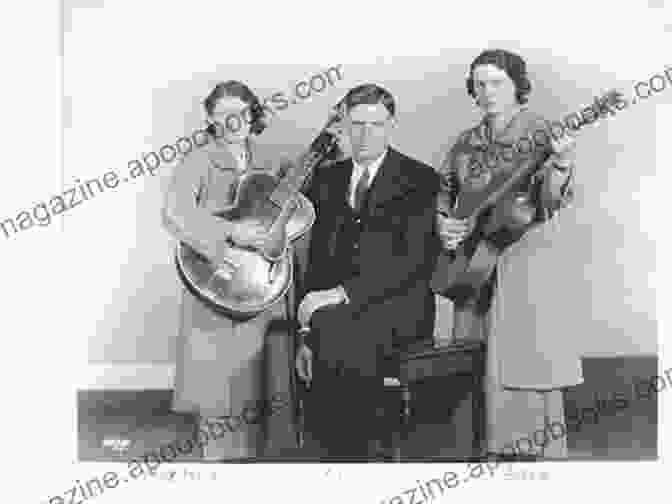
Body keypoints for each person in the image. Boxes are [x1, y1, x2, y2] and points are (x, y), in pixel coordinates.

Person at [435, 49, 583, 460]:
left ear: (518, 86)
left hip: (525, 268)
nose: (487, 92)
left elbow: (551, 202)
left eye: (497, 82)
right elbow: (446, 195)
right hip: (473, 268)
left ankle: (532, 470)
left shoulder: (543, 134)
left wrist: (563, 162)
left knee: (524, 363)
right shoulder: (467, 142)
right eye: (479, 83)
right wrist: (443, 224)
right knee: (472, 362)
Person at [294, 84, 441, 459]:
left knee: (343, 334)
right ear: (342, 125)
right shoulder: (326, 179)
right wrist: (305, 332)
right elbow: (319, 264)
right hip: (336, 309)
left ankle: (355, 453)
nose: (364, 134)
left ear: (392, 125)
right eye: (356, 124)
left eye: (375, 124)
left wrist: (341, 295)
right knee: (326, 331)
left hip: (399, 306)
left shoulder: (420, 179)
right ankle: (336, 455)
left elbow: (413, 261)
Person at [161, 80, 304, 460]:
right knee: (219, 388)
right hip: (218, 279)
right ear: (209, 118)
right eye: (223, 115)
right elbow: (175, 214)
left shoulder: (270, 157)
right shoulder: (198, 159)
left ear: (252, 113)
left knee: (262, 378)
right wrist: (231, 232)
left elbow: (295, 203)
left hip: (260, 282)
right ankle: (218, 468)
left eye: (240, 112)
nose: (233, 121)